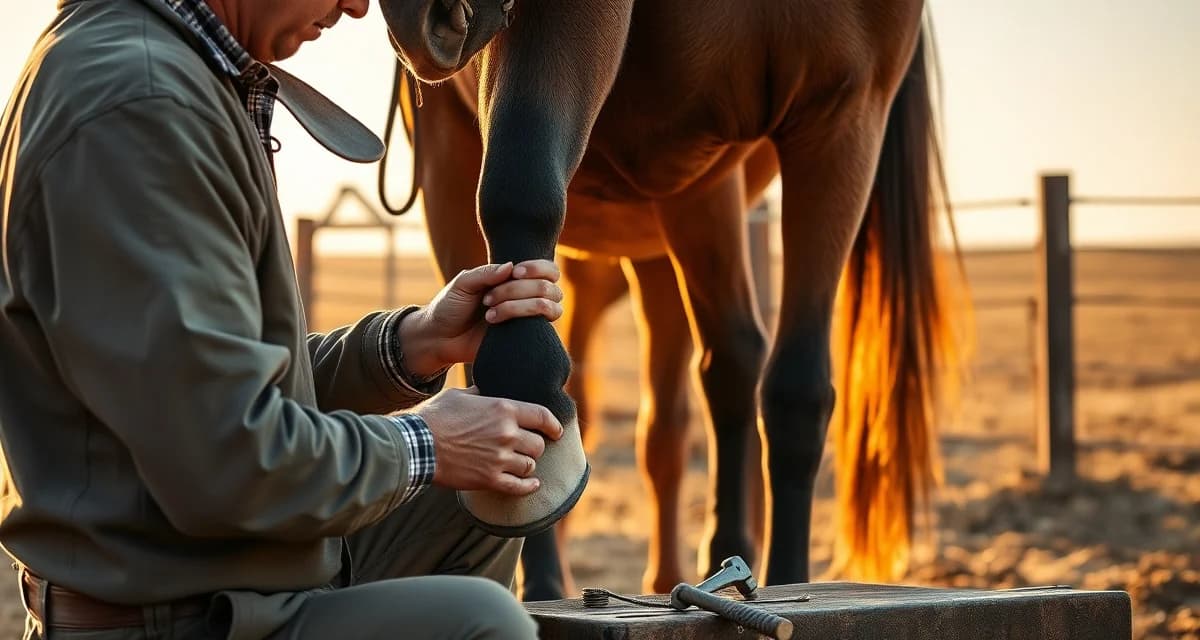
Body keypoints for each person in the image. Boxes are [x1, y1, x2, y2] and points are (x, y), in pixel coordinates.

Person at [0, 0, 565, 637]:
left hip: (218, 570)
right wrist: (427, 443)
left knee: (480, 495)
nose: (358, 6)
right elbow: (225, 458)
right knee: (481, 622)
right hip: (169, 615)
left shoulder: (167, 72)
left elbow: (224, 385)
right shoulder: (143, 107)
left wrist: (412, 343)